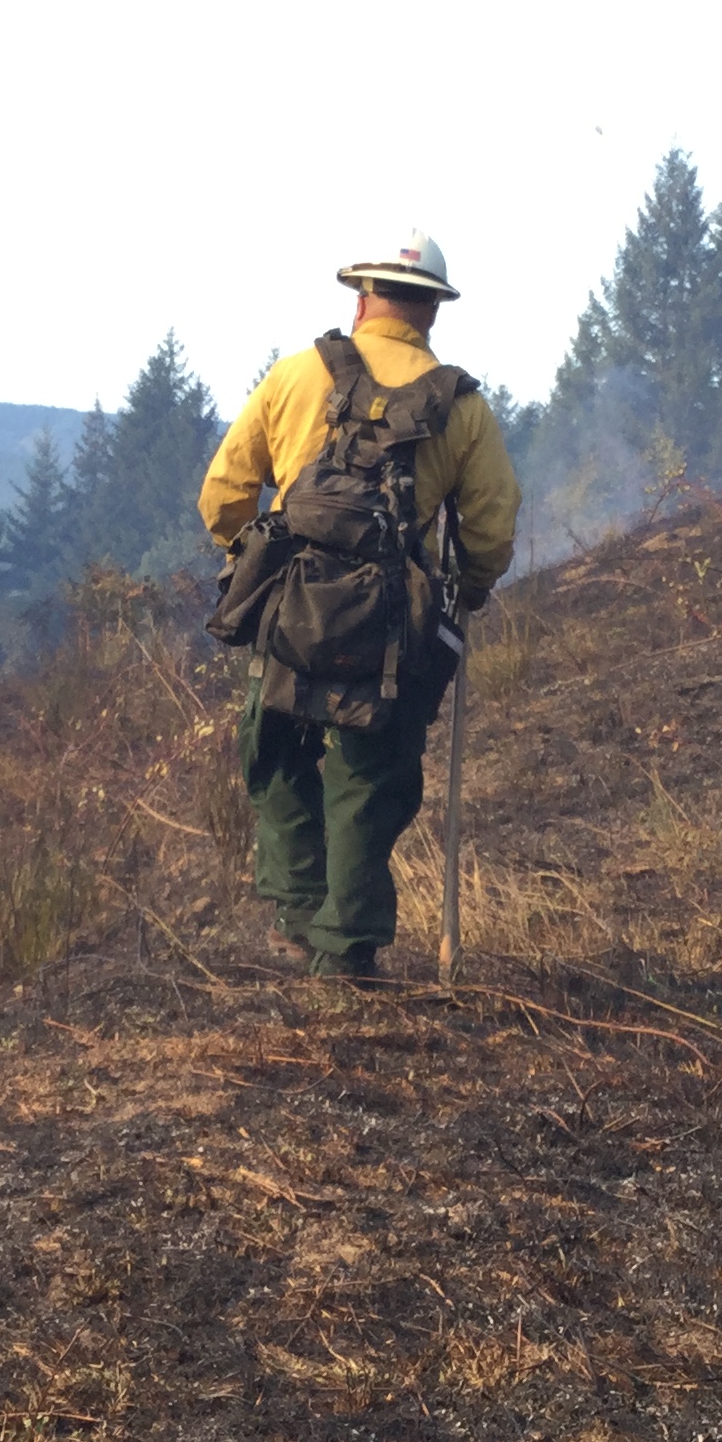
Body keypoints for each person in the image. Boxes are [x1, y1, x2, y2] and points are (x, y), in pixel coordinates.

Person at [199, 230, 518, 984]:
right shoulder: (462, 406)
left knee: (274, 753)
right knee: (370, 777)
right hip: (391, 629)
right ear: (432, 310)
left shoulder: (294, 374)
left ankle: (299, 915)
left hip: (288, 611)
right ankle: (347, 952)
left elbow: (222, 494)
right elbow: (492, 527)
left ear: (361, 298)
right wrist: (467, 589)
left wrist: (248, 559)